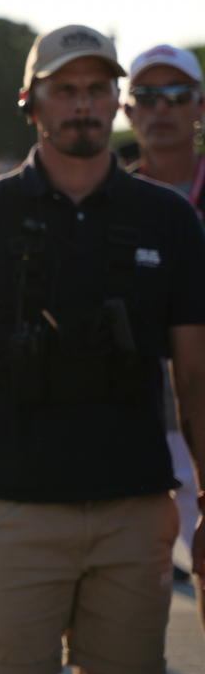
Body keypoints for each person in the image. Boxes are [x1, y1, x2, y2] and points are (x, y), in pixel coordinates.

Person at [0, 25, 205, 674]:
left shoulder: (171, 220)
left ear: (114, 101)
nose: (82, 104)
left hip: (134, 504)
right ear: (30, 103)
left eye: (97, 89)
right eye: (64, 89)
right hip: (13, 504)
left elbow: (195, 378)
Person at [122, 44, 205, 593]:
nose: (162, 109)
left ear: (199, 106)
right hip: (140, 416)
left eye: (177, 95)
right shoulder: (112, 201)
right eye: (148, 96)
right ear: (127, 111)